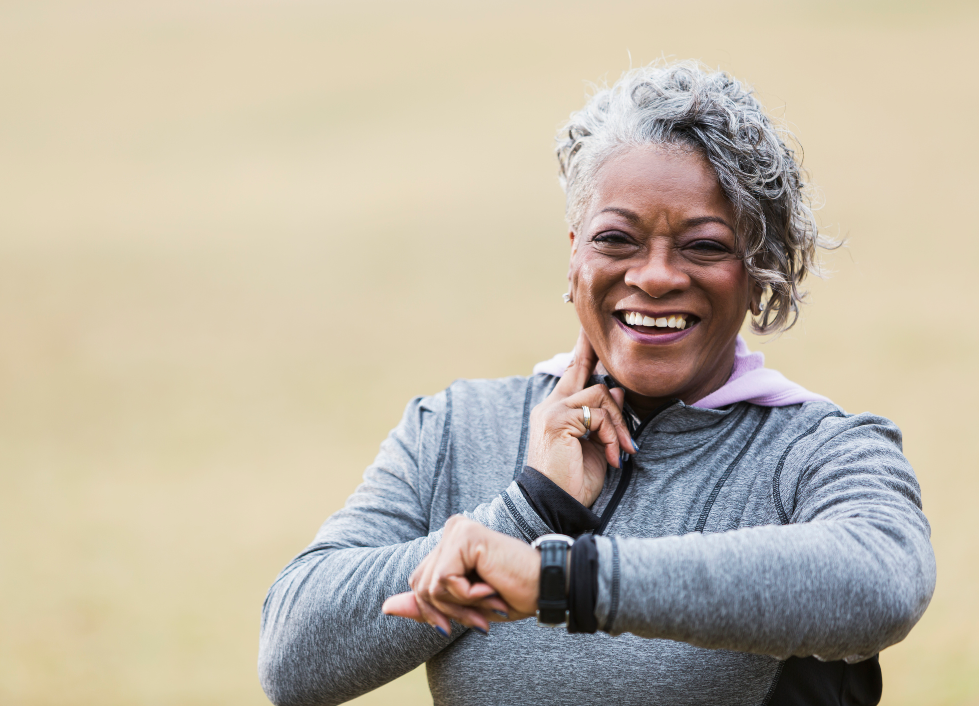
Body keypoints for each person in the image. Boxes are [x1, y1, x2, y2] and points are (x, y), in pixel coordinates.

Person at [258, 61, 935, 706]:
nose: (656, 276)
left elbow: (884, 581)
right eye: (618, 239)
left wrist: (563, 580)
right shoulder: (457, 427)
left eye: (704, 245)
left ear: (760, 271)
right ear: (575, 251)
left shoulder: (815, 448)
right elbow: (293, 658)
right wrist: (531, 508)